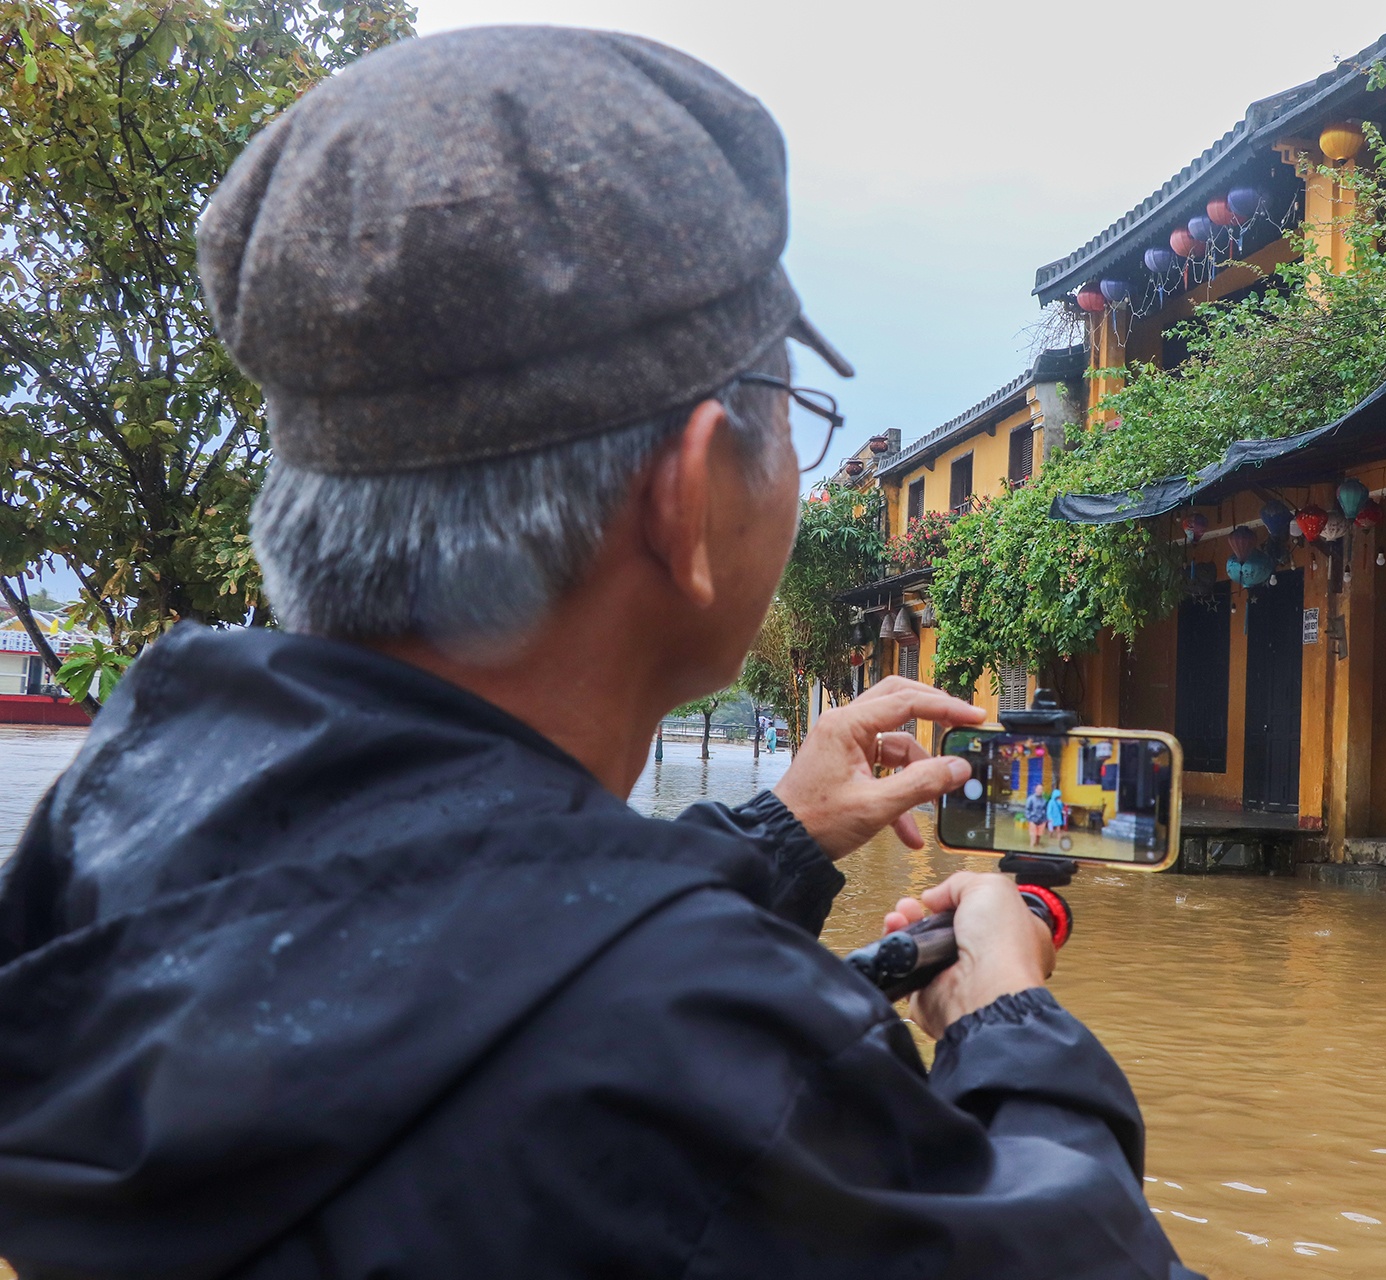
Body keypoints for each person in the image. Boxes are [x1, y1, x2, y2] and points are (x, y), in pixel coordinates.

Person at [0, 28, 1199, 1280]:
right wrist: (1012, 1024)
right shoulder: (715, 1062)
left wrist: (778, 834)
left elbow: (436, 934)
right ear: (685, 504)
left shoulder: (115, 832)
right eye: (796, 422)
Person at [1025, 782, 1049, 847]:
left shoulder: (1044, 800)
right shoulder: (1030, 799)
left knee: (1038, 839)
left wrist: (1045, 820)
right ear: (1035, 789)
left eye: (1041, 789)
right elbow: (1027, 809)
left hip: (1041, 821)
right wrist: (1029, 819)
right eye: (1038, 789)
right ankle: (1031, 851)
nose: (1040, 790)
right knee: (1033, 839)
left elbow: (1046, 810)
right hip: (1032, 820)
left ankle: (1036, 850)